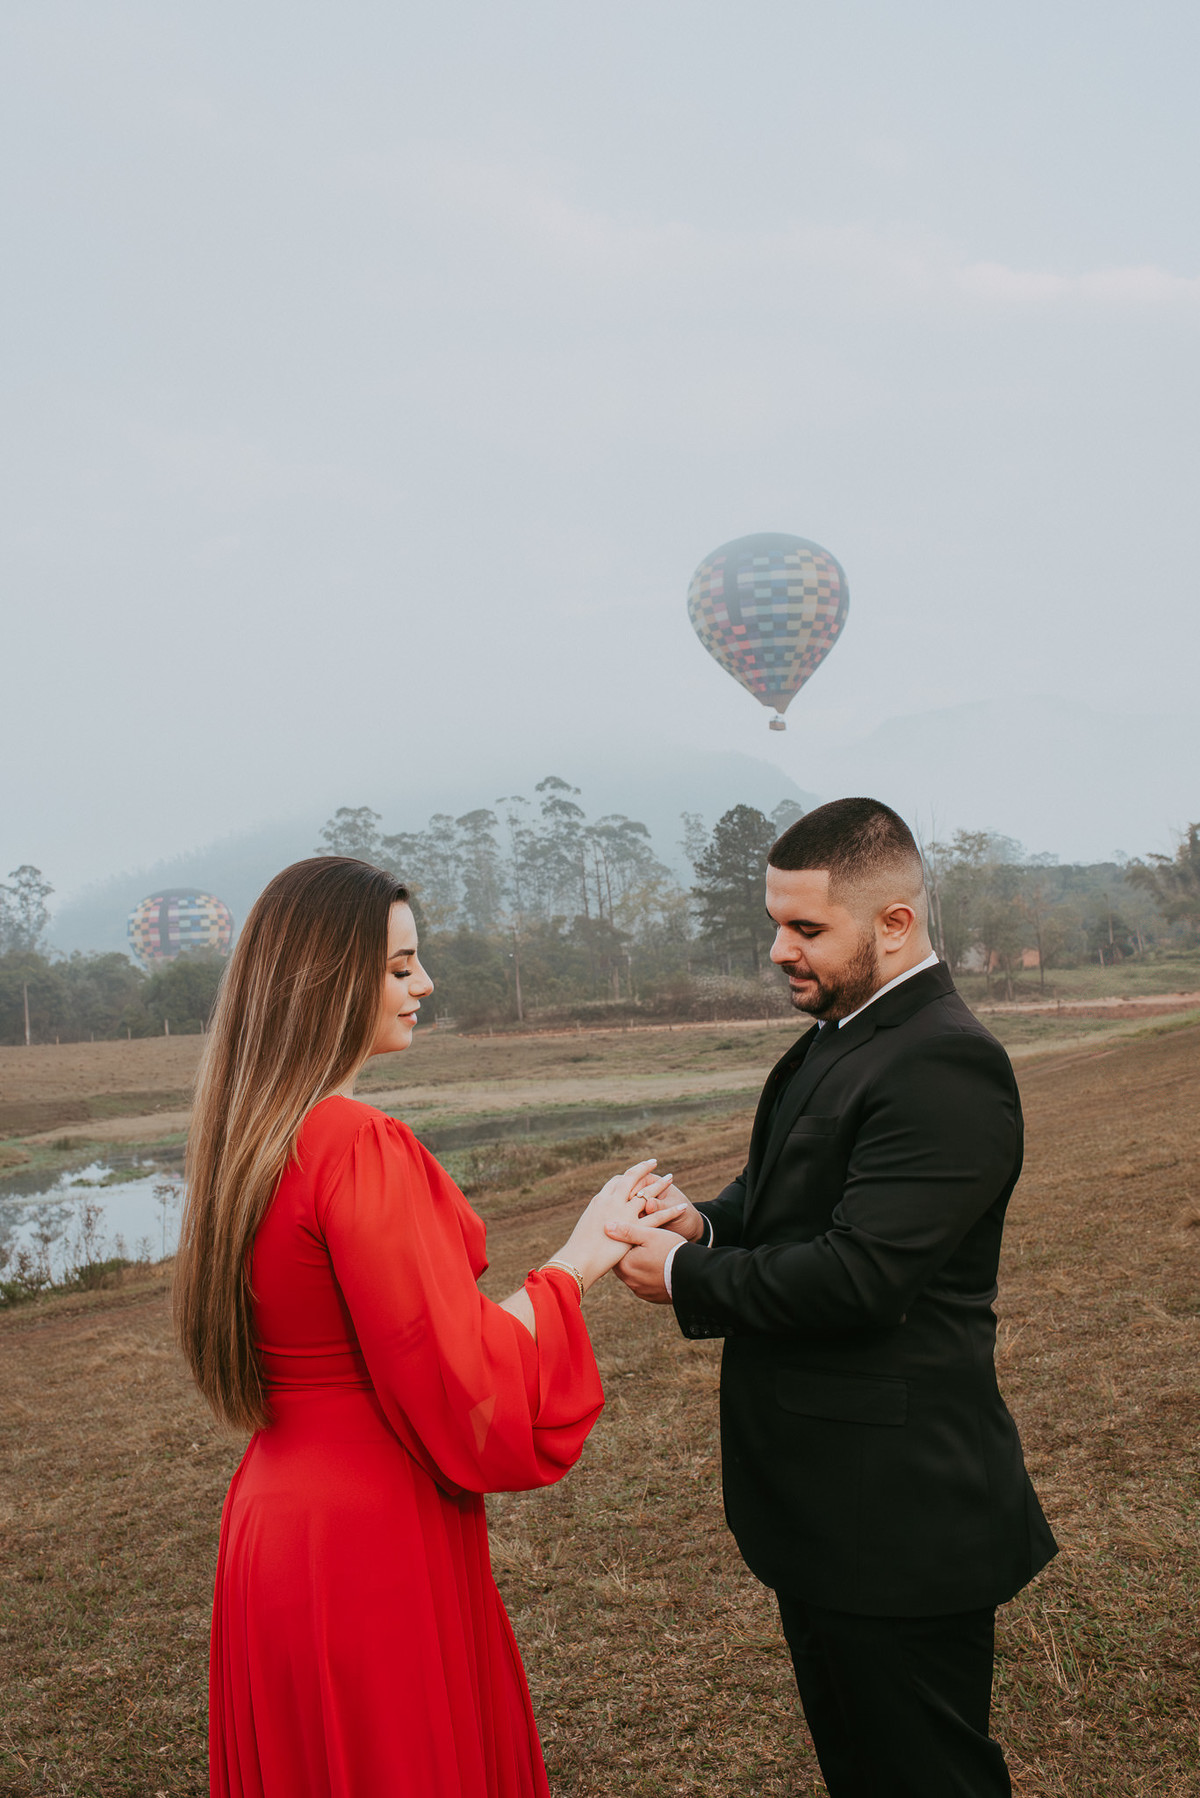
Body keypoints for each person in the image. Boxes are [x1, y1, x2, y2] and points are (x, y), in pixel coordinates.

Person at [173, 855, 682, 1798]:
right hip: (370, 1534)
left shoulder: (245, 1140)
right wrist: (583, 1259)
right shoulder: (358, 1143)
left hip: (272, 1526)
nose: (424, 984)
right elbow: (459, 1373)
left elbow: (411, 1341)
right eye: (401, 966)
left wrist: (575, 1258)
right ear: (331, 980)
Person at [608, 797, 1057, 1798]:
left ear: (894, 921)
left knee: (924, 1777)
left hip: (899, 1518)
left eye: (807, 927)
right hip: (831, 1511)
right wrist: (707, 1225)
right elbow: (793, 1199)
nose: (778, 949)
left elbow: (863, 1276)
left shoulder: (944, 1058)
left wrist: (685, 1277)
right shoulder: (847, 1031)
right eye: (775, 922)